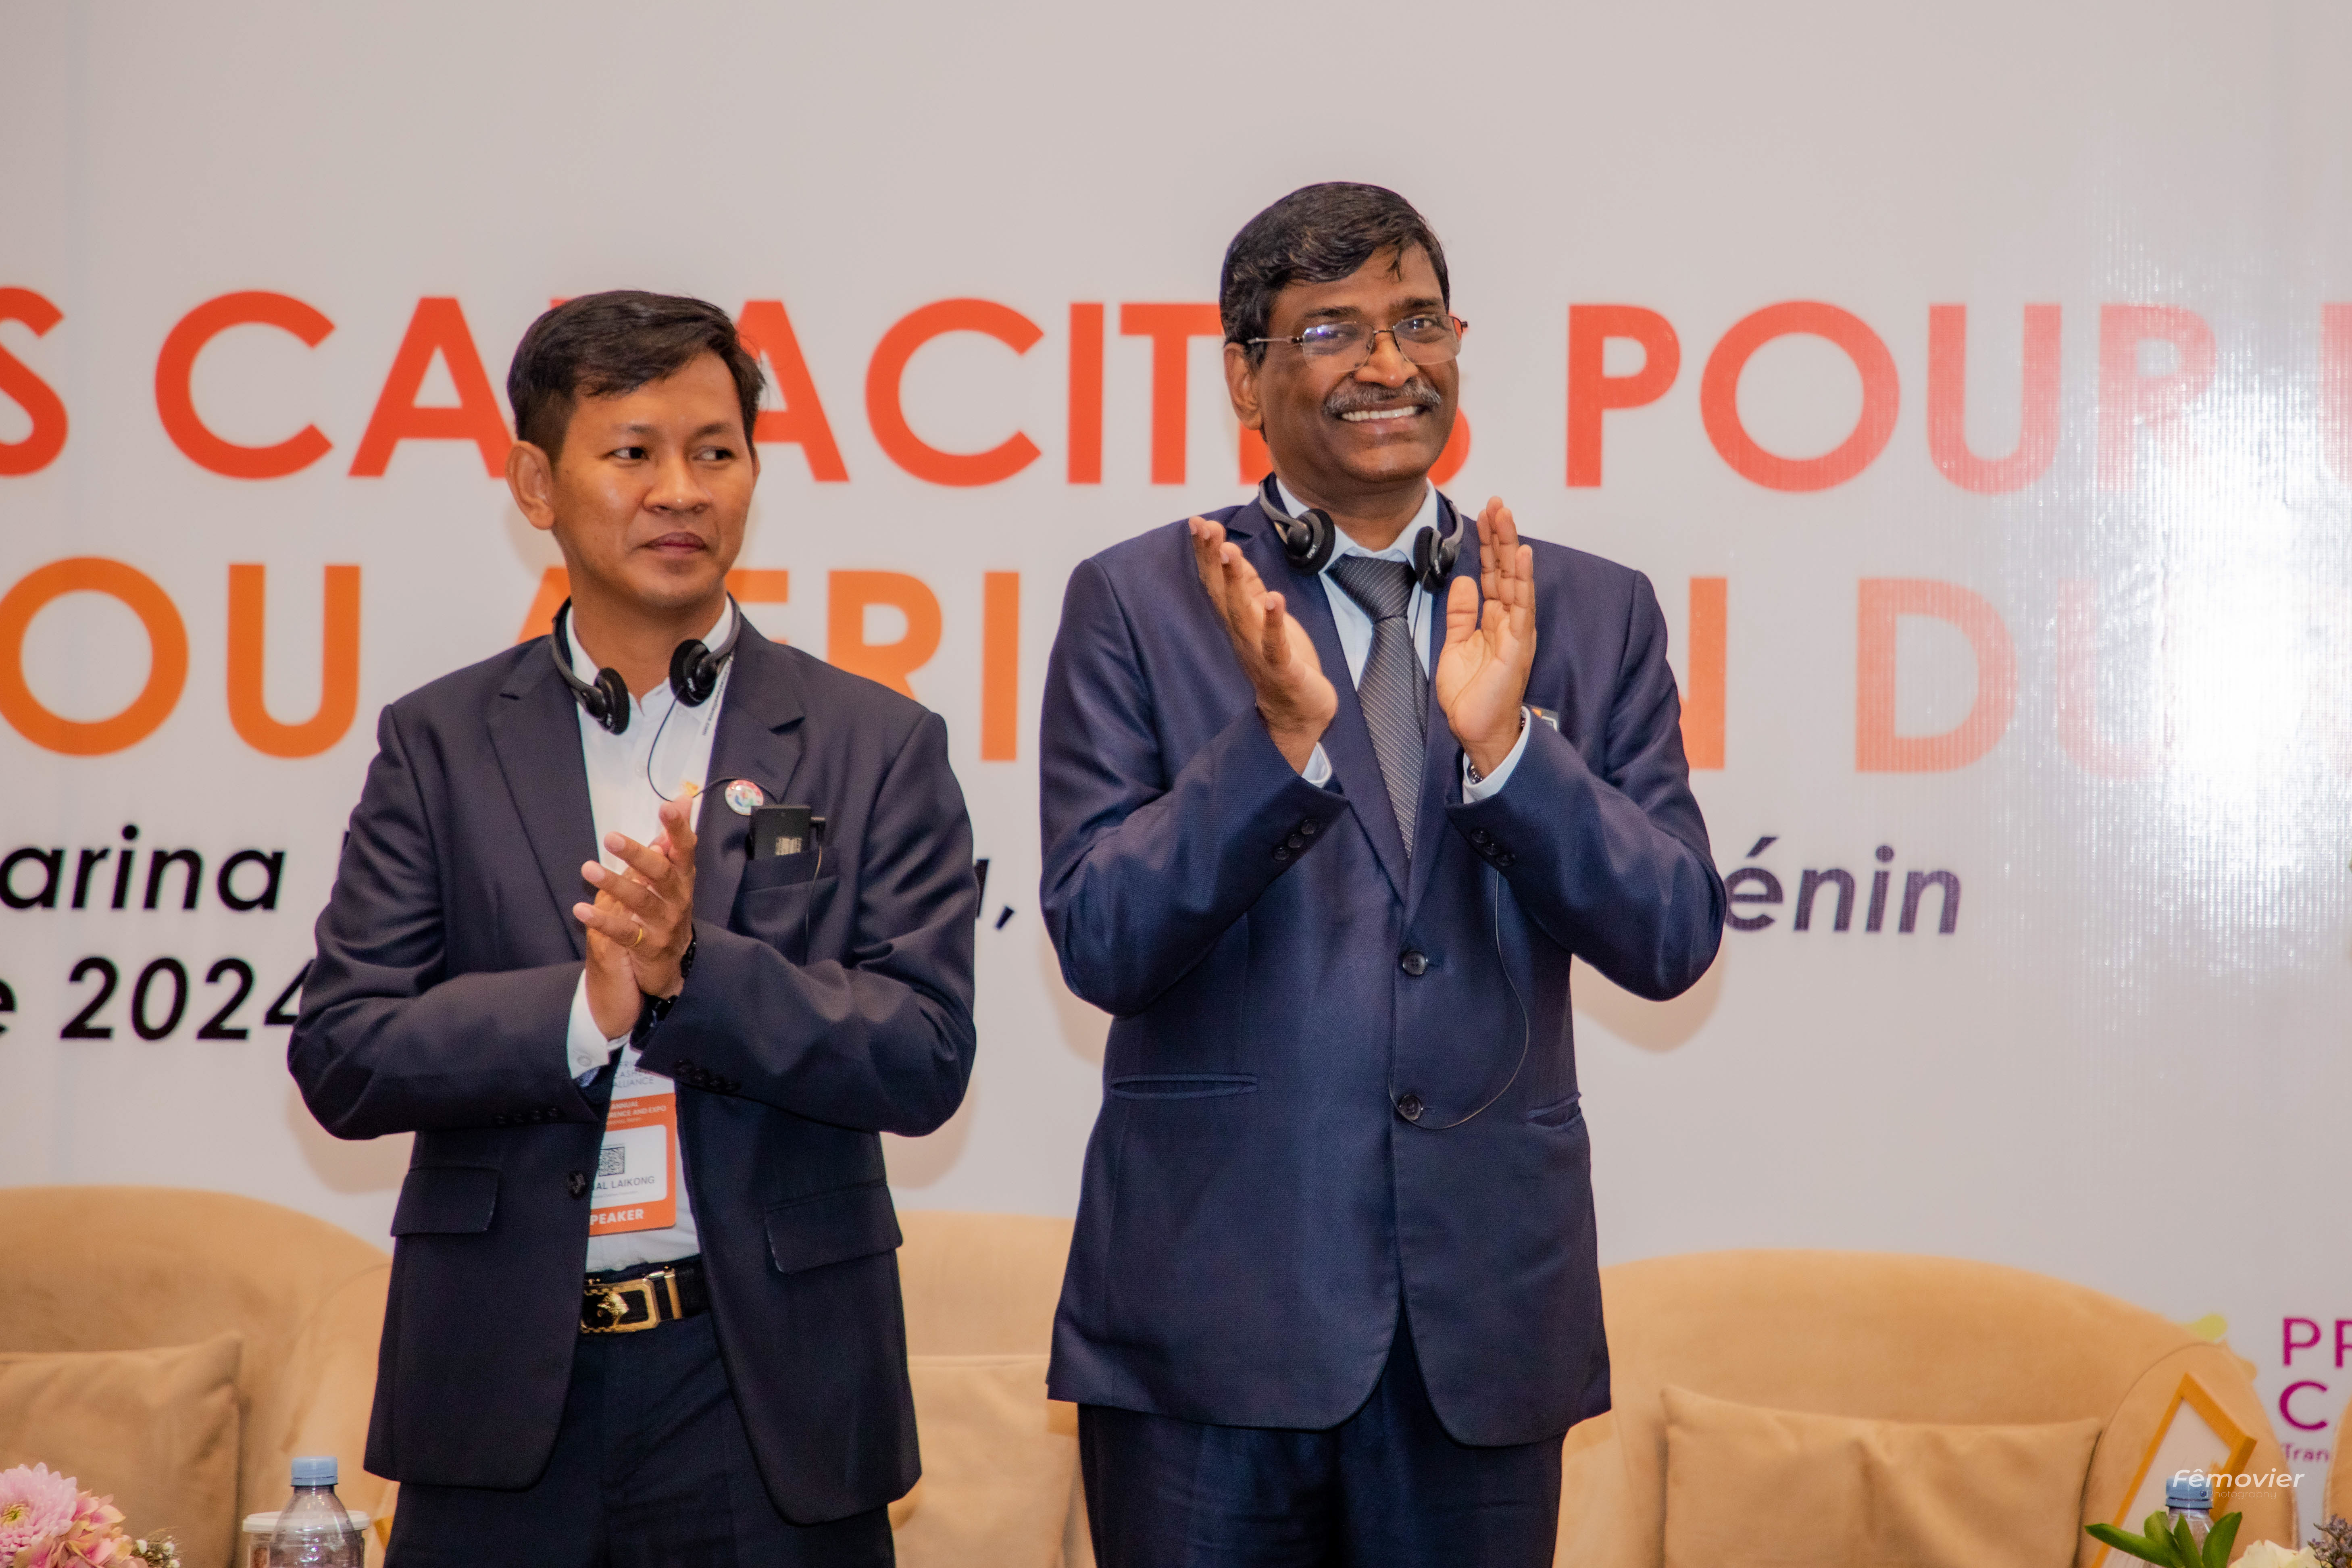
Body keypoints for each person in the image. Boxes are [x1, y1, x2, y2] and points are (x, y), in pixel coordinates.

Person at [1038, 183, 1725, 1566]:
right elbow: (1102, 936)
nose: (1387, 364)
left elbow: (1671, 933)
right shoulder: (1140, 600)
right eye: (1331, 331)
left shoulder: (1586, 608)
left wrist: (1511, 753)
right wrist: (1274, 747)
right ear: (1244, 377)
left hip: (1484, 1326)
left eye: (1418, 322)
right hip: (1210, 1321)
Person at [291, 291, 977, 1566]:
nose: (681, 490)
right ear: (534, 484)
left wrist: (692, 972)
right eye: (633, 452)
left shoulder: (872, 742)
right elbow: (343, 1050)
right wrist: (589, 1005)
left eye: (716, 451)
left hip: (764, 1393)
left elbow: (924, 1051)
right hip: (501, 1393)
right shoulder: (439, 743)